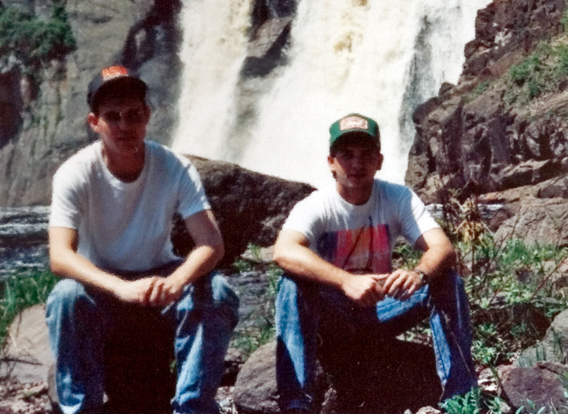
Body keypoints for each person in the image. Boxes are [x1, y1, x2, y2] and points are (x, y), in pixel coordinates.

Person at [45, 64, 239, 414]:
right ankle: (79, 409)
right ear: (95, 123)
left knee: (218, 291)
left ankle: (192, 407)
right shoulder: (74, 173)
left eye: (133, 114)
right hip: (103, 291)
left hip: (160, 285)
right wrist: (119, 287)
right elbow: (60, 257)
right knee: (65, 297)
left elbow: (211, 244)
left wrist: (177, 281)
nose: (124, 126)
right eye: (112, 116)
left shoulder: (175, 166)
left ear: (147, 116)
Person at [273, 113, 477, 413]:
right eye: (347, 155)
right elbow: (284, 251)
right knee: (291, 283)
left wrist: (418, 274)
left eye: (367, 155)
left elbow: (443, 249)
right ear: (331, 162)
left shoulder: (398, 198)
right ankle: (295, 405)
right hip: (334, 317)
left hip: (382, 309)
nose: (357, 164)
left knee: (445, 279)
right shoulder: (315, 205)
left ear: (379, 161)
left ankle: (461, 398)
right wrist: (345, 281)